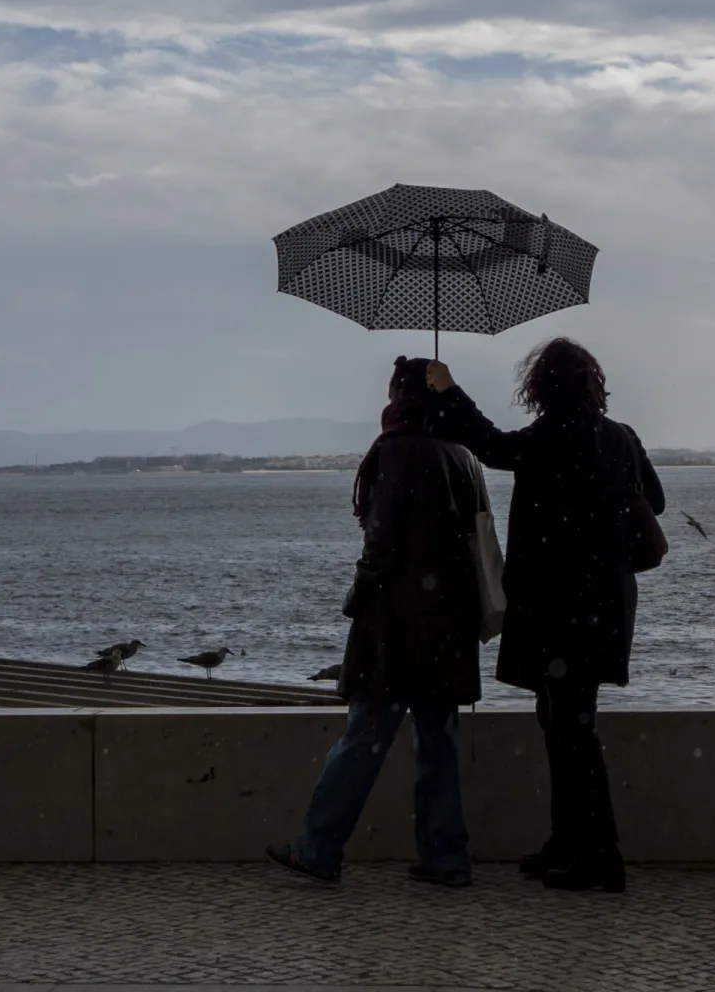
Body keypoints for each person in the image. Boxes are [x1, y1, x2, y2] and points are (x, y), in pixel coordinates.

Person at [424, 338, 664, 893]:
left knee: (570, 729)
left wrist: (448, 389)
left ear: (541, 386)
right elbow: (656, 498)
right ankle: (568, 842)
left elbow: (489, 444)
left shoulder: (550, 435)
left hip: (559, 606)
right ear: (592, 382)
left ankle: (600, 855)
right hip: (605, 605)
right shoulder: (621, 437)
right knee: (566, 720)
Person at [267, 356, 491, 888]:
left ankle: (318, 848)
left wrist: (356, 597)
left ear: (397, 396)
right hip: (449, 629)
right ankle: (446, 857)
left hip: (395, 629)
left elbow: (381, 545)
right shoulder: (463, 455)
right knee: (439, 741)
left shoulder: (393, 452)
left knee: (364, 737)